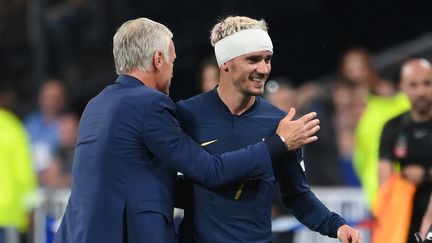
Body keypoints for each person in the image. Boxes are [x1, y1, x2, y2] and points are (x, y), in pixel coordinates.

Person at [54, 17, 321, 243]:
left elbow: (138, 175)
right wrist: (279, 141)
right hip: (127, 233)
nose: (172, 71)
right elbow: (208, 170)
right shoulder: (151, 103)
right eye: (172, 60)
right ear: (158, 60)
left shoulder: (96, 103)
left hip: (79, 231)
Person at [176, 16, 360, 243]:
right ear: (226, 62)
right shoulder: (186, 115)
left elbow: (297, 196)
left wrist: (337, 226)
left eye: (268, 59)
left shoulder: (280, 123)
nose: (263, 69)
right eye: (253, 59)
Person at [378, 58, 432, 243]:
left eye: (427, 83)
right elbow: (383, 177)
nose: (421, 91)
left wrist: (425, 174)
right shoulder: (393, 127)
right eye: (413, 85)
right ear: (402, 87)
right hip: (404, 218)